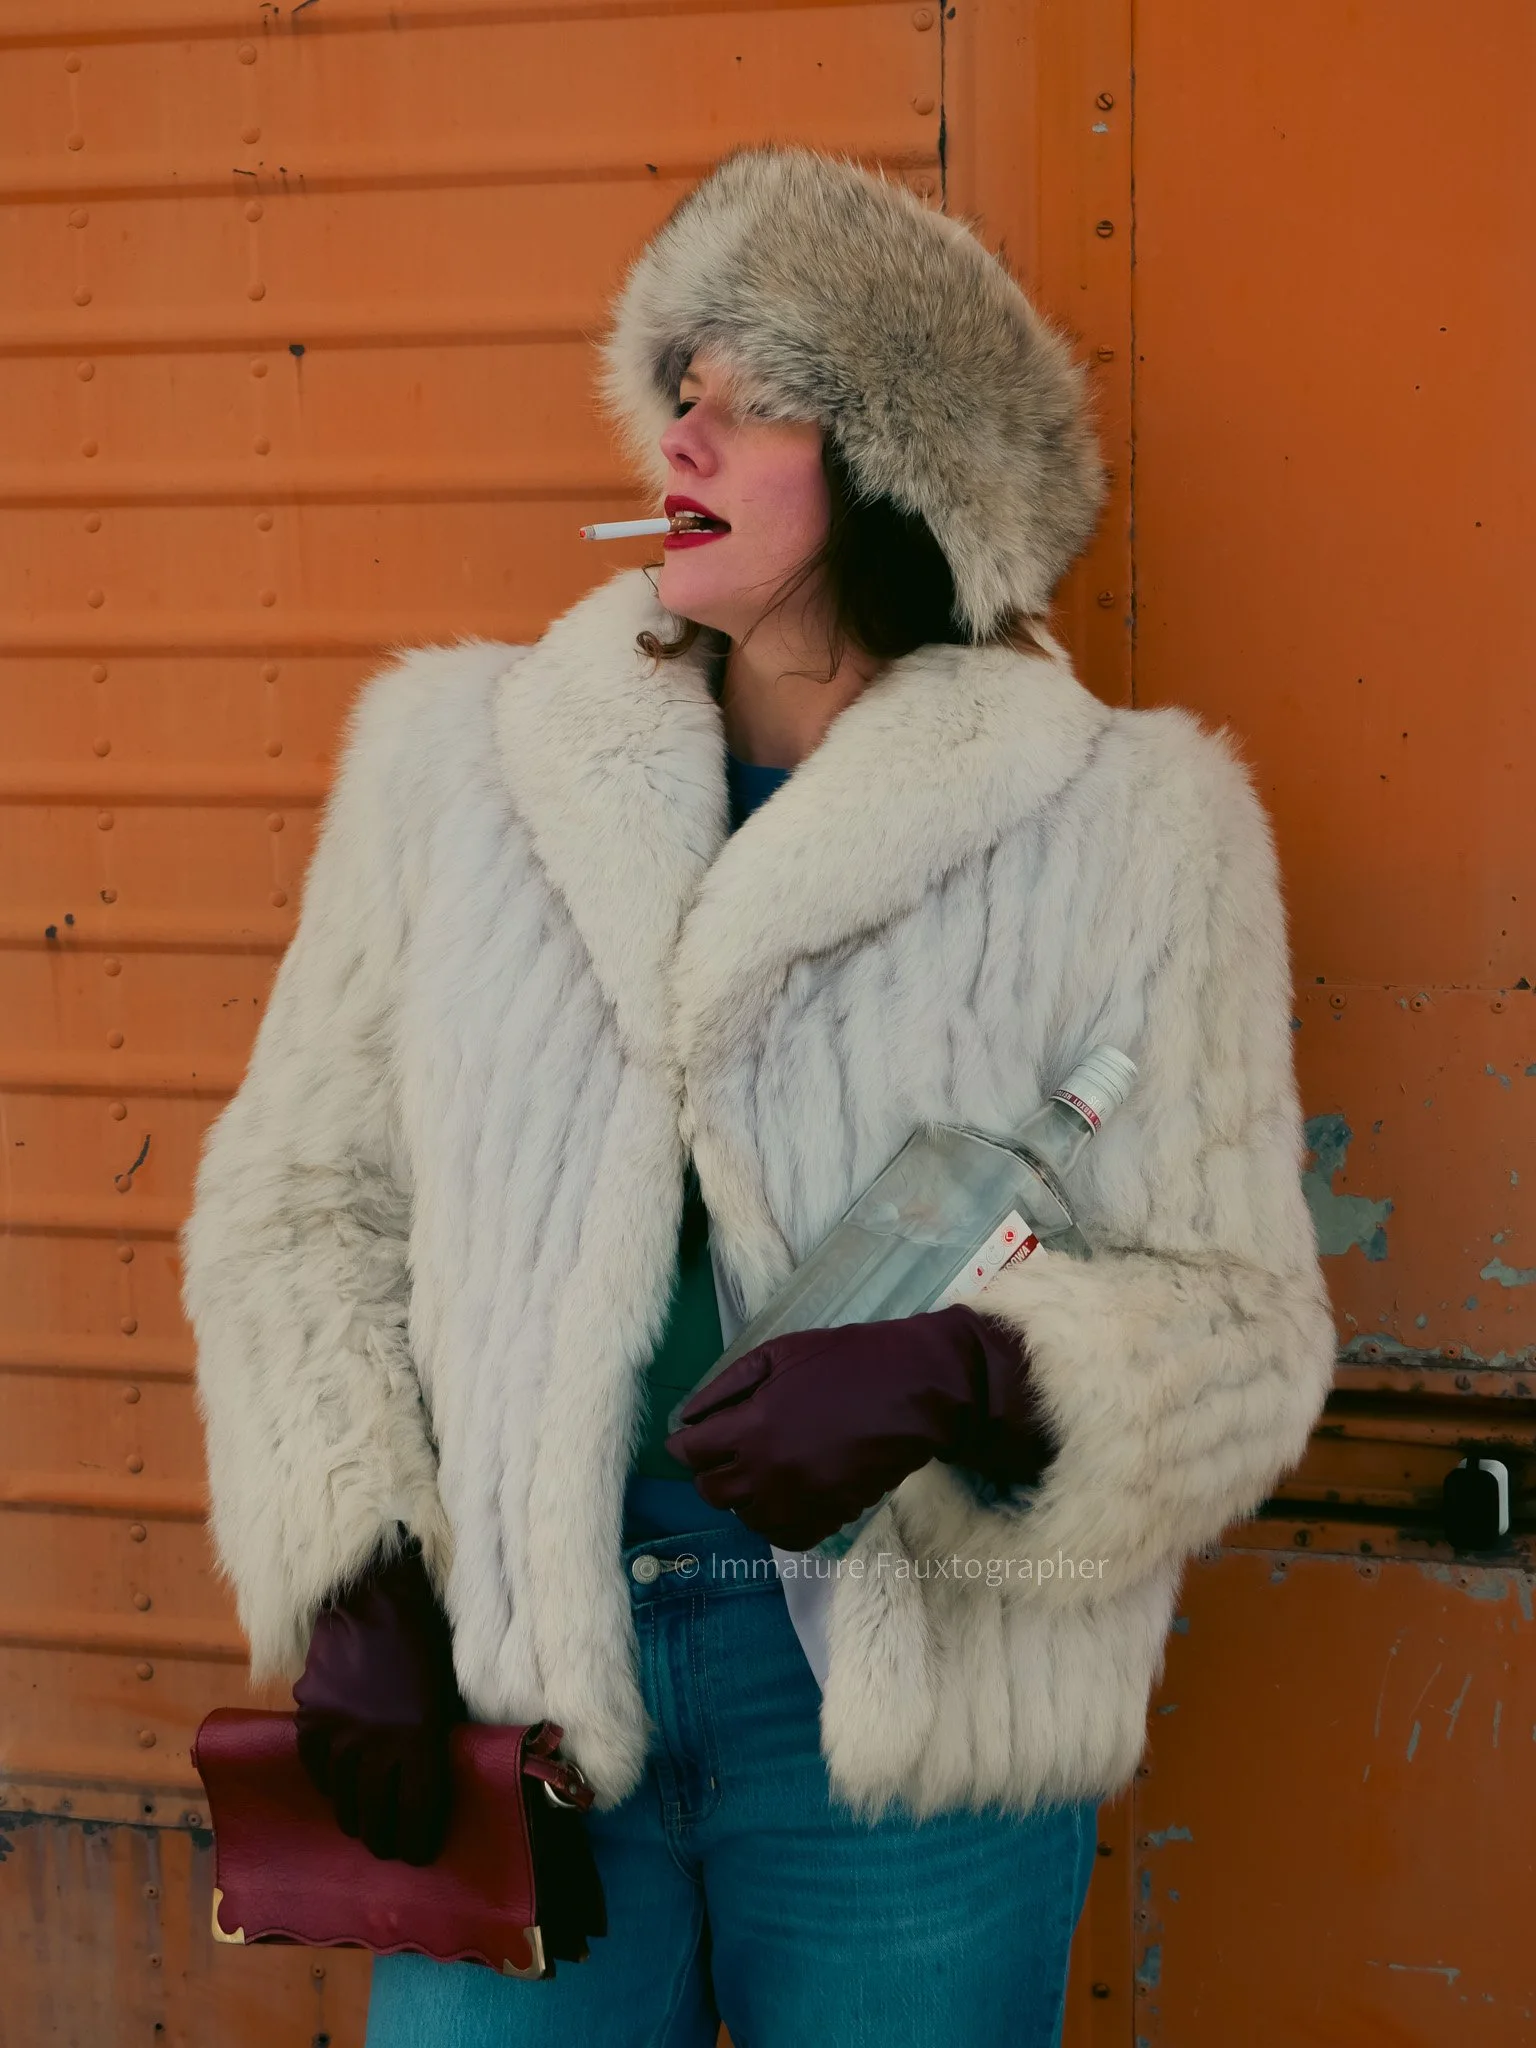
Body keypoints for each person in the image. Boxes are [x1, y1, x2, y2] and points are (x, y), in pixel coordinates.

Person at [180, 144, 1336, 2047]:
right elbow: (302, 1204)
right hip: (520, 1673)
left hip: (906, 1713)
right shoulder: (456, 772)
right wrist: (355, 1576)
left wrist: (966, 1377)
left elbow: (1241, 1317)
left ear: (907, 469)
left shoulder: (1134, 822)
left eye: (757, 399)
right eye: (679, 395)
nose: (686, 441)